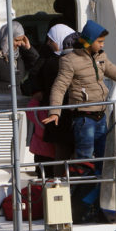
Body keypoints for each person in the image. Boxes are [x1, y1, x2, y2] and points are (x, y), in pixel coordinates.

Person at [43, 20, 116, 161]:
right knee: (85, 156)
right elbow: (59, 86)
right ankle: (84, 182)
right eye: (99, 41)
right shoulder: (70, 60)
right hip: (83, 117)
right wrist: (55, 112)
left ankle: (99, 183)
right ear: (88, 41)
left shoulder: (101, 57)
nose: (102, 44)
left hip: (100, 115)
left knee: (103, 155)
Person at [25, 23, 77, 175]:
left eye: (51, 40)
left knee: (57, 157)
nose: (48, 44)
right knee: (62, 155)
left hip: (53, 117)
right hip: (61, 117)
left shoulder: (52, 61)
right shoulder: (57, 62)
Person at [0, 21, 39, 94]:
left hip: (17, 98)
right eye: (17, 40)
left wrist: (29, 48)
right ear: (7, 37)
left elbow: (37, 64)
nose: (19, 43)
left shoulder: (22, 52)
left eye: (22, 40)